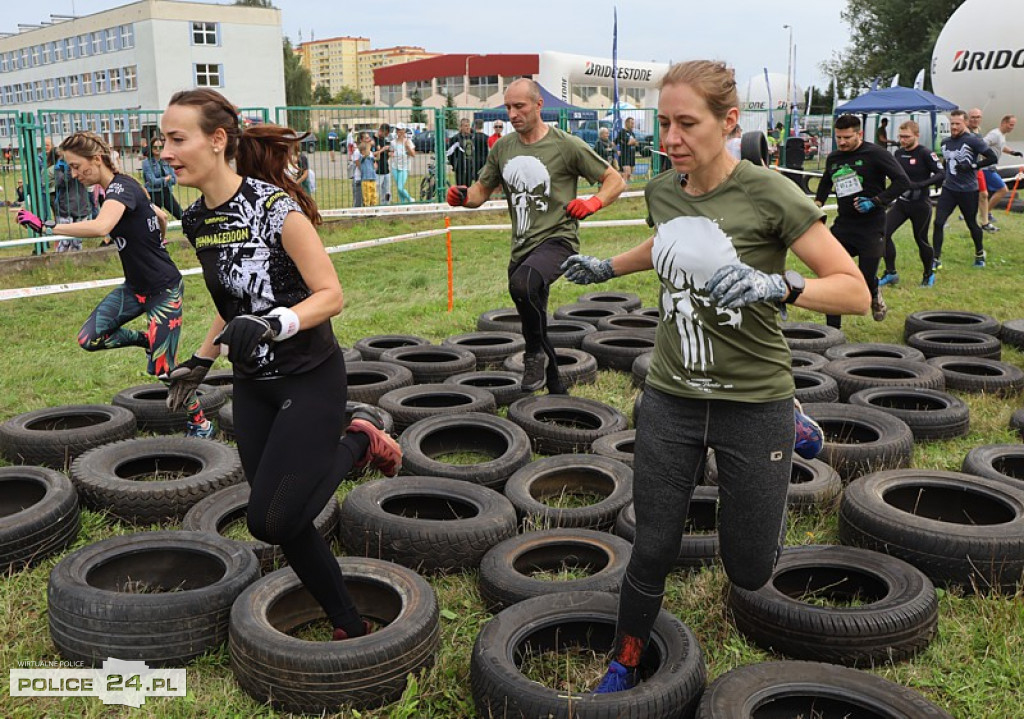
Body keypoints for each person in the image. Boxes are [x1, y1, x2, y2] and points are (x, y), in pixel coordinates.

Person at [558, 60, 869, 695]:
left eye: (686, 124)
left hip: (754, 400)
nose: (670, 138)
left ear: (729, 123)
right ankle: (625, 660)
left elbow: (855, 291)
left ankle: (795, 423)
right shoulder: (662, 189)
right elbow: (666, 240)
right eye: (662, 123)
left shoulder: (770, 193)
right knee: (653, 547)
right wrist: (609, 267)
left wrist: (779, 283)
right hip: (671, 394)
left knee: (749, 568)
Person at [160, 88, 402, 643]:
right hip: (253, 386)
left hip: (308, 377)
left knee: (268, 520)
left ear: (217, 140)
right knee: (286, 520)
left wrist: (276, 323)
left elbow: (330, 294)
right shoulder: (197, 221)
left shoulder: (276, 208)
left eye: (177, 138)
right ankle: (349, 623)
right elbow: (232, 304)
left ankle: (358, 441)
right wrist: (200, 360)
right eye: (163, 139)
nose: (164, 151)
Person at [16, 130, 212, 437]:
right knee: (89, 338)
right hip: (134, 289)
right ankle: (146, 340)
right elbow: (158, 212)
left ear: (96, 160)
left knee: (163, 369)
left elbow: (102, 226)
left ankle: (200, 422)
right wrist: (160, 232)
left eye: (77, 166)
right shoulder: (121, 190)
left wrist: (47, 226)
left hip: (164, 290)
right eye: (69, 168)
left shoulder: (121, 188)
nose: (74, 173)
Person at [446, 78, 626, 393]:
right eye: (508, 107)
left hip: (559, 241)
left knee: (523, 285)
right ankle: (555, 387)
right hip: (522, 247)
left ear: (539, 105)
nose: (513, 113)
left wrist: (593, 202)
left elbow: (614, 180)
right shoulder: (503, 147)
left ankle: (532, 355)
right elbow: (480, 193)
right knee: (533, 311)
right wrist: (462, 197)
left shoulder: (566, 144)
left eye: (520, 106)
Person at [813, 114, 910, 326]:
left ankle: (874, 289)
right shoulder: (834, 158)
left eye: (847, 137)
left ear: (860, 134)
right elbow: (825, 184)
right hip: (843, 227)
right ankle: (832, 332)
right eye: (838, 137)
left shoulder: (876, 154)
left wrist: (876, 201)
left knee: (862, 282)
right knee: (833, 279)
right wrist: (818, 205)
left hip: (871, 227)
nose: (842, 142)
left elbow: (903, 182)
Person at [878, 121, 945, 289]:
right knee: (883, 234)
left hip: (920, 204)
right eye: (900, 136)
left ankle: (928, 274)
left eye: (907, 137)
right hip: (901, 203)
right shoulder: (898, 154)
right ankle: (891, 273)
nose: (903, 140)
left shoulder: (925, 153)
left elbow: (941, 174)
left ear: (916, 135)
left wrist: (921, 184)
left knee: (921, 240)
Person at [933, 109, 999, 269]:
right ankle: (935, 259)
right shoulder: (945, 142)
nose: (954, 127)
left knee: (971, 223)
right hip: (949, 189)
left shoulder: (973, 141)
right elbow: (945, 162)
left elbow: (992, 157)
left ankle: (979, 253)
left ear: (965, 123)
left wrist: (972, 166)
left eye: (958, 123)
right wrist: (940, 176)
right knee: (938, 222)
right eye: (952, 123)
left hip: (968, 190)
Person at [981, 114, 1022, 228]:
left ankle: (974, 214)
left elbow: (1001, 147)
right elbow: (981, 145)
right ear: (1003, 122)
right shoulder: (995, 134)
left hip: (991, 168)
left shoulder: (1001, 135)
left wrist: (1013, 152)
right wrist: (986, 158)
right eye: (1011, 125)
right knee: (1003, 190)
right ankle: (986, 214)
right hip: (987, 168)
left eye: (1013, 125)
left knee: (984, 194)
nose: (1012, 128)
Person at [52, 150, 93, 251]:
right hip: (65, 208)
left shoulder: (83, 164)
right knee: (64, 240)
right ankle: (60, 261)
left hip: (81, 205)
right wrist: (70, 169)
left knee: (77, 241)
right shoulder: (60, 166)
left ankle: (77, 262)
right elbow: (60, 182)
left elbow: (89, 179)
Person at [142, 137, 184, 220]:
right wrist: (165, 179)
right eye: (155, 147)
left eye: (160, 147)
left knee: (181, 214)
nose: (158, 149)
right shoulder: (146, 163)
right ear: (151, 148)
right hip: (154, 194)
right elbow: (152, 182)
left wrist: (164, 180)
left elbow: (174, 180)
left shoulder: (166, 161)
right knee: (154, 219)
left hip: (166, 191)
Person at [966, 108, 992, 230]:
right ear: (968, 118)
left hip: (978, 167)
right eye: (973, 117)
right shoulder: (965, 131)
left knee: (984, 194)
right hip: (966, 169)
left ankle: (985, 223)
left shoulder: (978, 131)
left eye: (978, 117)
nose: (976, 120)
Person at [447, 118, 478, 187]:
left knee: (468, 187)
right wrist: (454, 164)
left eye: (468, 125)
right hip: (460, 168)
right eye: (465, 126)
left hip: (470, 168)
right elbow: (449, 153)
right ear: (461, 127)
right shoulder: (456, 138)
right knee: (460, 188)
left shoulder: (472, 138)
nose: (468, 128)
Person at [390, 126, 416, 204]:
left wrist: (407, 147)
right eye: (398, 130)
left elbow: (413, 154)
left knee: (400, 187)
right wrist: (391, 153)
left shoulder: (408, 142)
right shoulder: (393, 142)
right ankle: (402, 203)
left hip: (405, 167)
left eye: (401, 130)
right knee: (399, 188)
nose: (399, 132)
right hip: (395, 167)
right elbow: (391, 151)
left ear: (404, 131)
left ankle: (410, 199)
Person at [616, 116, 639, 182]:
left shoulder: (632, 133)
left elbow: (636, 143)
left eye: (633, 123)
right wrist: (631, 142)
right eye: (631, 123)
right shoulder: (622, 132)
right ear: (626, 123)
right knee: (627, 173)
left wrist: (633, 142)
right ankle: (621, 187)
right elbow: (628, 142)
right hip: (625, 156)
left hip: (631, 156)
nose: (633, 125)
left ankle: (624, 188)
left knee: (629, 175)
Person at [357, 135, 378, 207]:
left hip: (373, 178)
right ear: (362, 151)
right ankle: (367, 209)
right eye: (367, 149)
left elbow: (376, 160)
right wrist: (368, 145)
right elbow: (366, 155)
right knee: (367, 196)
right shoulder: (362, 157)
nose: (369, 151)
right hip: (365, 179)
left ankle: (374, 208)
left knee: (374, 195)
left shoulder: (370, 157)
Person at [374, 124, 392, 204]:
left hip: (386, 169)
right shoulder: (373, 140)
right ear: (381, 131)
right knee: (376, 190)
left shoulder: (384, 140)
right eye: (386, 134)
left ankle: (385, 205)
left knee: (387, 191)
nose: (386, 136)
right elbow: (372, 154)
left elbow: (386, 155)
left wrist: (389, 154)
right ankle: (372, 206)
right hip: (377, 170)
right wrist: (382, 149)